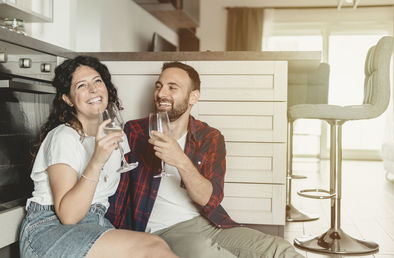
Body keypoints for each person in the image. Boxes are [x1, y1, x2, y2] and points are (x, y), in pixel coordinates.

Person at [106, 61, 304, 258]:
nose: (161, 94)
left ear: (193, 97)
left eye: (172, 87)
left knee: (280, 248)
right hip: (165, 229)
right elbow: (111, 183)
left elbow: (209, 200)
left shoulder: (209, 137)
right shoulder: (135, 131)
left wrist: (180, 160)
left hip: (210, 223)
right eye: (159, 86)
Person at [19, 56, 177, 258]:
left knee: (157, 243)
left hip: (95, 224)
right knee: (151, 248)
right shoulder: (64, 137)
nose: (93, 89)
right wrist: (97, 160)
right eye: (81, 85)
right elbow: (68, 216)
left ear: (107, 88)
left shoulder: (115, 135)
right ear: (67, 99)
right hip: (50, 229)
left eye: (97, 81)